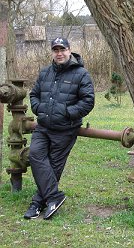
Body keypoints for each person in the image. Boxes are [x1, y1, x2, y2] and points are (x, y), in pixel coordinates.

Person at [24, 37, 95, 220]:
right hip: (43, 126)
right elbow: (34, 94)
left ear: (69, 50)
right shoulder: (45, 72)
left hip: (65, 129)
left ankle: (37, 203)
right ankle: (53, 197)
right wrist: (39, 108)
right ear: (52, 53)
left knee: (53, 167)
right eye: (55, 50)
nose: (59, 53)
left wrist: (66, 112)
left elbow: (88, 101)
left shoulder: (81, 74)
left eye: (62, 49)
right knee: (35, 155)